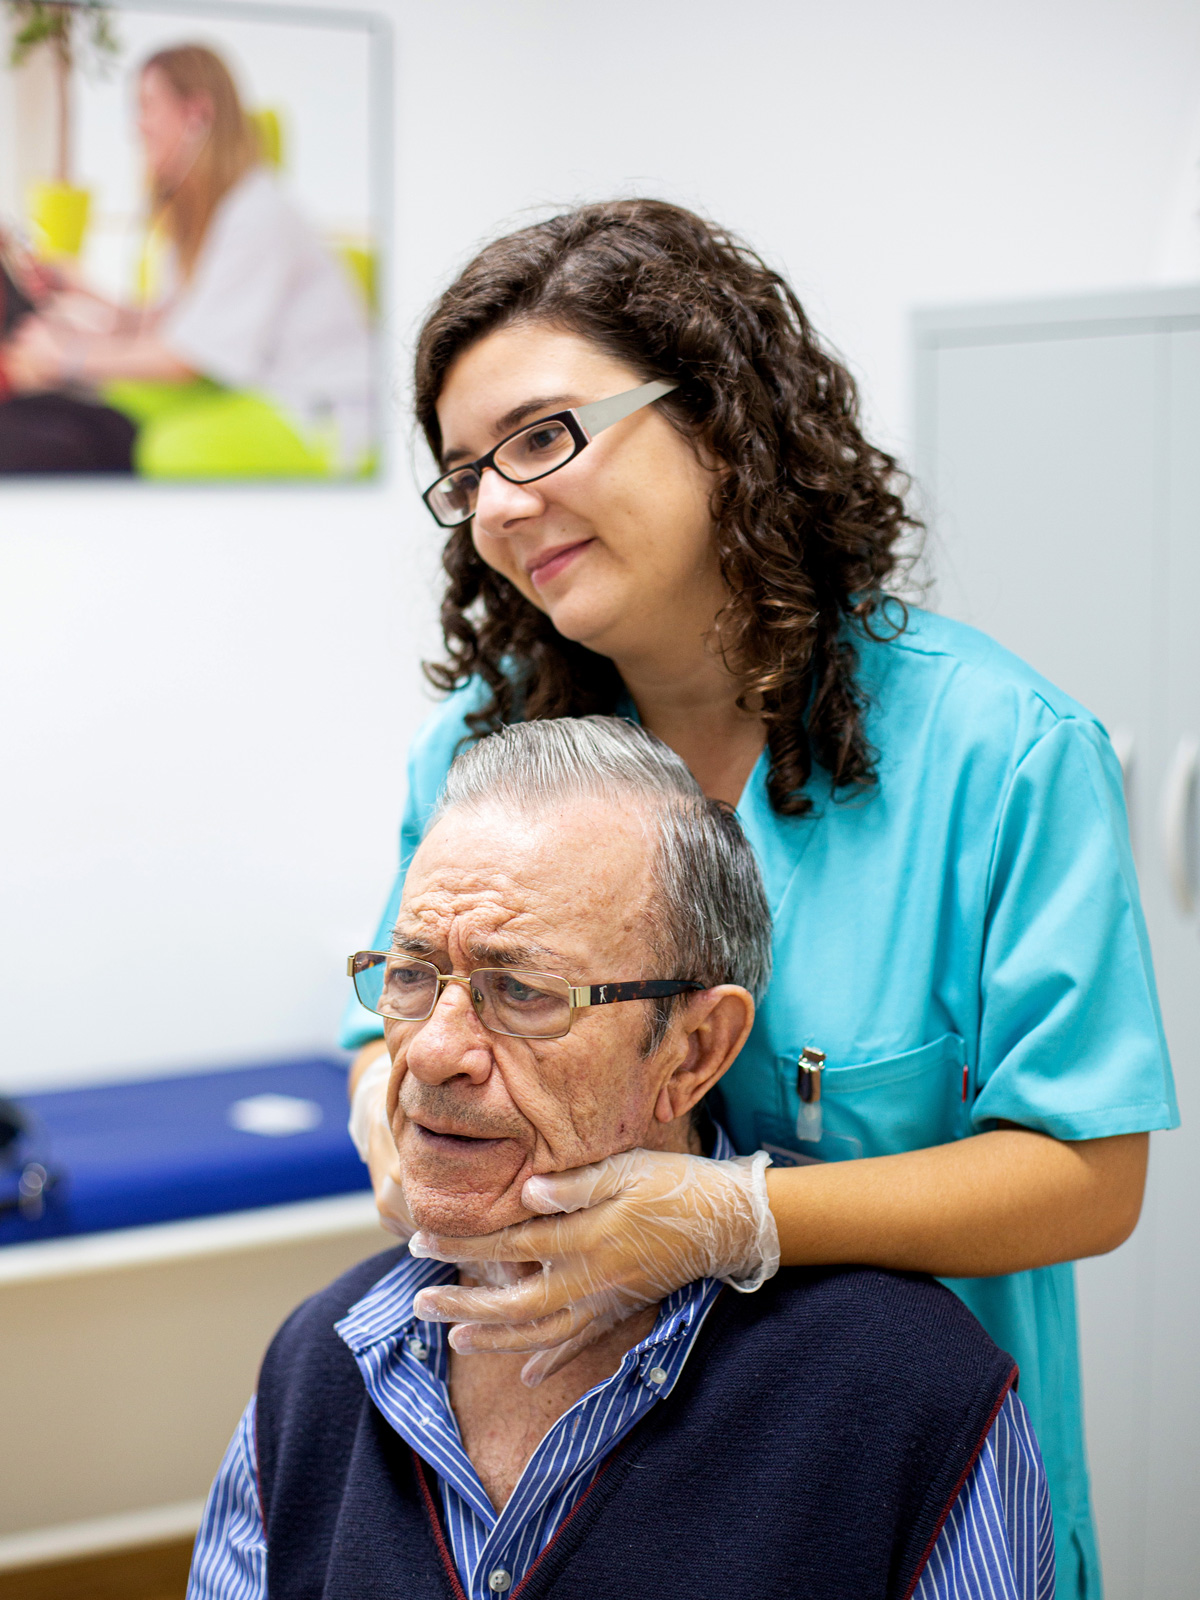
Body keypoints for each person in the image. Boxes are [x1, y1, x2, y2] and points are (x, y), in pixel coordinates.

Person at [342, 199, 1178, 1595]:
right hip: (575, 1469)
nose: (497, 504)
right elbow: (392, 1026)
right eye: (466, 473)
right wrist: (394, 1120)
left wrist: (741, 1217)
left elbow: (1088, 1176)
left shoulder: (1000, 757)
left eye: (543, 436)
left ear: (719, 415)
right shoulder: (489, 750)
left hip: (903, 1486)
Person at [191, 717, 1054, 1600]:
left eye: (522, 991)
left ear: (692, 1053)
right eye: (411, 975)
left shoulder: (908, 1402)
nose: (429, 1052)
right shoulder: (317, 1370)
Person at [3, 45, 372, 477]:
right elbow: (173, 321)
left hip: (316, 411)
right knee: (112, 405)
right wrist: (80, 289)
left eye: (146, 107)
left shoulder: (257, 212)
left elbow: (185, 358)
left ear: (196, 114)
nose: (136, 126)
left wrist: (67, 357)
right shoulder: (204, 214)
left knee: (166, 449)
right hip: (246, 383)